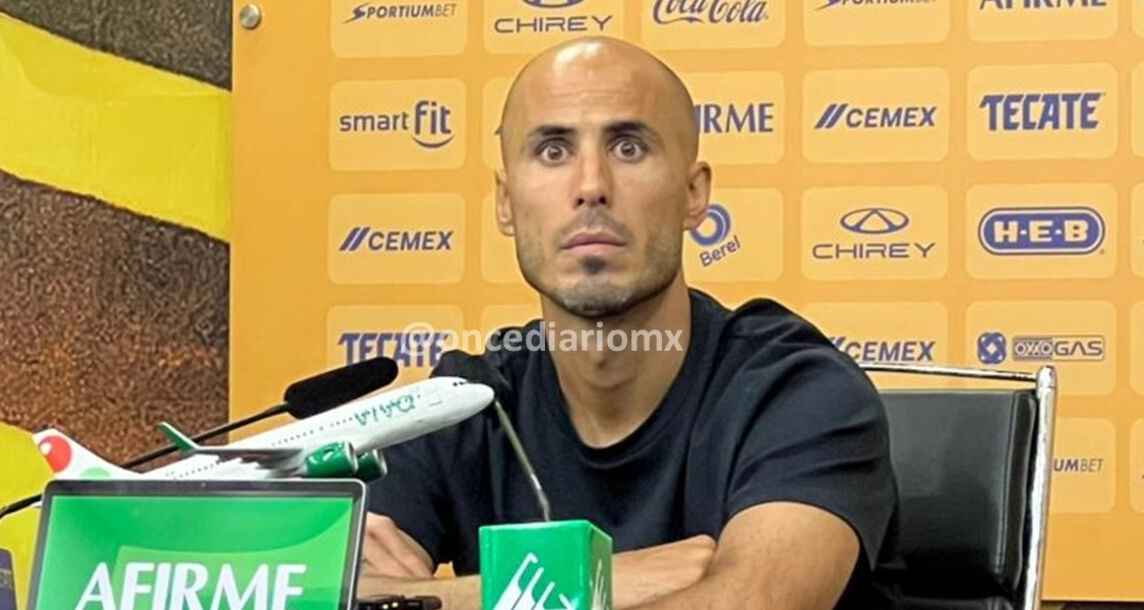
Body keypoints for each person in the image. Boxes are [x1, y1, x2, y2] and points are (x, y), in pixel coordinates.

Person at [359, 36, 899, 609]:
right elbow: (321, 595)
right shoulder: (468, 405)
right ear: (506, 203)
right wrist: (597, 582)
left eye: (629, 147)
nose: (591, 186)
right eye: (552, 151)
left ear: (694, 195)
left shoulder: (797, 393)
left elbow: (749, 603)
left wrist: (433, 597)